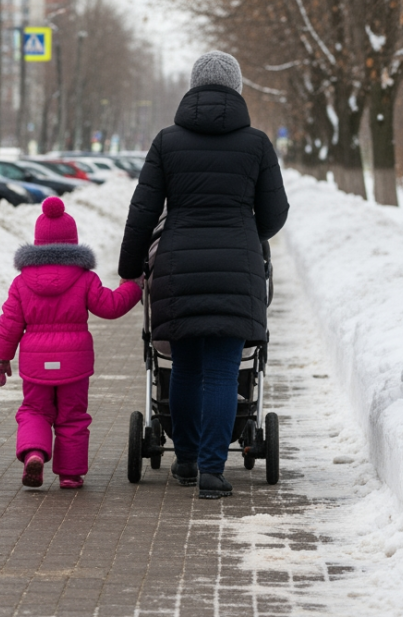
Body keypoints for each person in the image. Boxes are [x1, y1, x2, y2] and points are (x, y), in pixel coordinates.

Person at [118, 51, 289, 499]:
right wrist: (246, 231)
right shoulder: (257, 144)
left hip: (178, 269)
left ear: (193, 88)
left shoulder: (166, 142)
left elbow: (144, 211)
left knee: (187, 368)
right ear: (237, 88)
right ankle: (213, 471)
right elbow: (274, 214)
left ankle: (187, 460)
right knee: (223, 373)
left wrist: (129, 266)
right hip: (237, 269)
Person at [0, 197, 143, 489]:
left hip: (36, 363)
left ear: (37, 243)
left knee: (34, 410)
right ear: (73, 243)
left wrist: (1, 358)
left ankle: (34, 452)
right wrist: (132, 288)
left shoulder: (22, 282)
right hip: (74, 362)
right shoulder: (84, 278)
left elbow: (9, 323)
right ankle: (70, 475)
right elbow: (109, 307)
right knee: (72, 416)